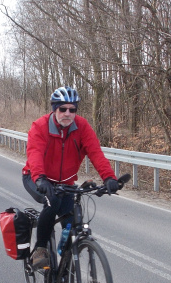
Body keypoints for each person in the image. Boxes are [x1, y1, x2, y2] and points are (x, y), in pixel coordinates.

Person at [22, 86, 119, 268]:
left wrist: (109, 178)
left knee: (72, 221)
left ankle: (67, 269)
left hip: (65, 182)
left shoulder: (82, 127)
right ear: (54, 109)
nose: (68, 113)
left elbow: (95, 153)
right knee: (51, 203)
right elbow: (34, 154)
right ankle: (41, 249)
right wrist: (40, 178)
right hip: (36, 177)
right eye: (63, 109)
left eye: (72, 109)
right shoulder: (40, 127)